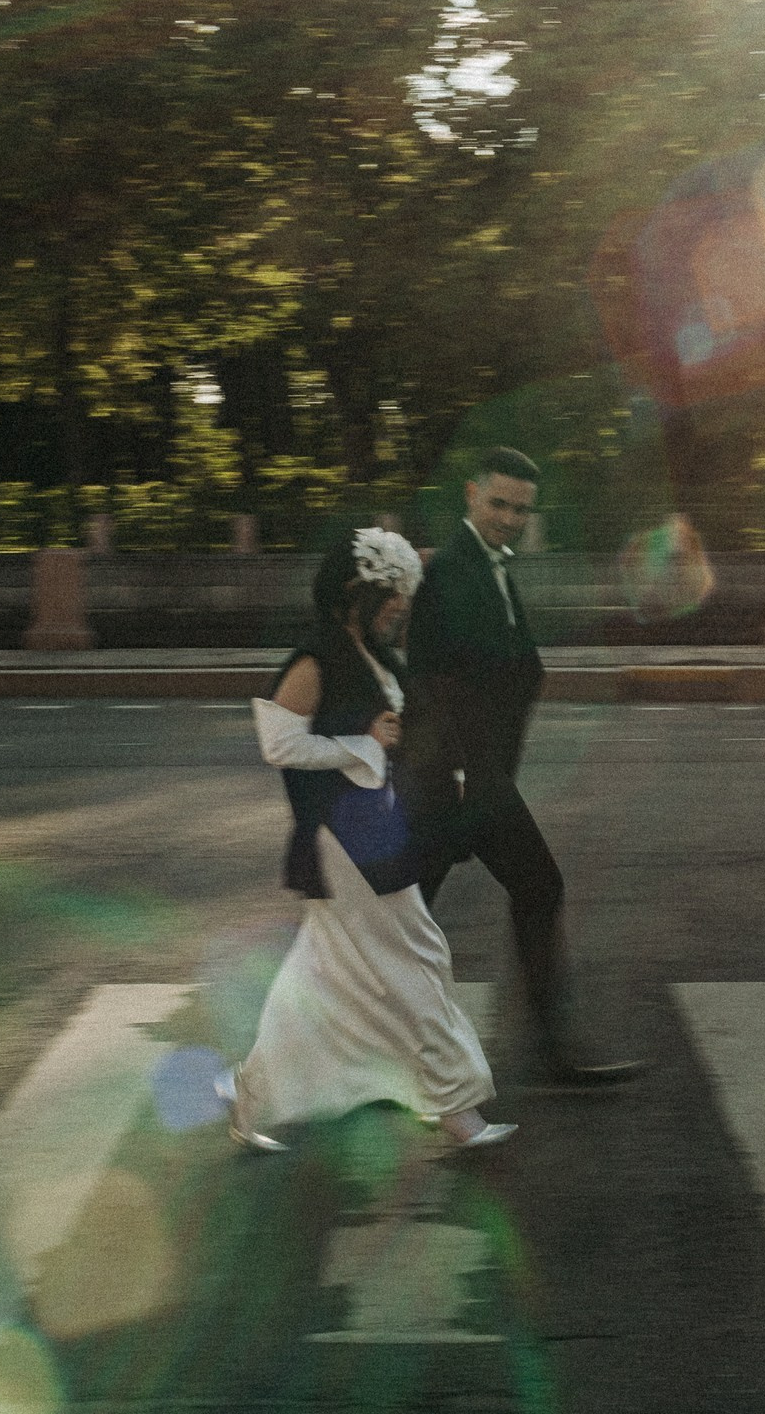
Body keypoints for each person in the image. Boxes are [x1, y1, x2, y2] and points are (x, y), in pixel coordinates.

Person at [223, 528, 515, 1153]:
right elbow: (278, 744)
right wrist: (363, 744)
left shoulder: (370, 651)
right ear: (358, 590)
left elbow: (398, 730)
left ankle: (247, 1096)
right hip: (341, 835)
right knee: (417, 956)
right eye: (392, 595)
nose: (400, 607)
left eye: (403, 596)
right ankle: (457, 1109)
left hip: (374, 824)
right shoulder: (316, 658)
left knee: (325, 974)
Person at [404, 448, 644, 1088]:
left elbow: (513, 668)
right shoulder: (450, 570)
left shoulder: (492, 568)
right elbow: (433, 685)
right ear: (471, 495)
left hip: (481, 778)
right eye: (498, 504)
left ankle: (550, 1049)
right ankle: (552, 1051)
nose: (509, 518)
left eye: (520, 509)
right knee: (418, 912)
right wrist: (455, 781)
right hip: (456, 783)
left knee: (404, 913)